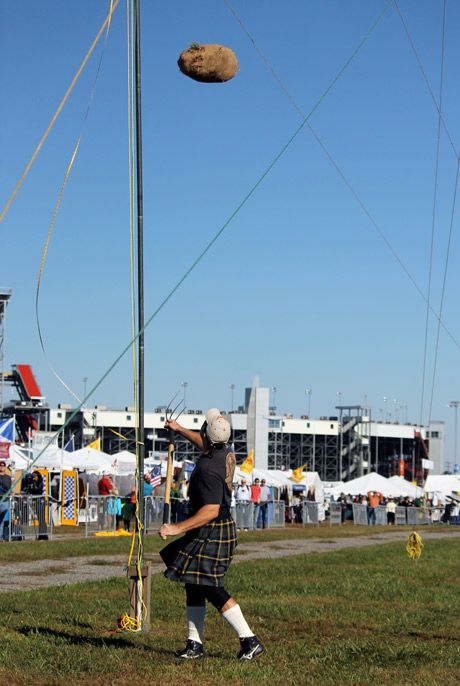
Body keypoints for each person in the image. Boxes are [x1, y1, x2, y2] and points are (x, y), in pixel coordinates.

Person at [159, 408, 265, 663]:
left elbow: (210, 510)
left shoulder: (208, 469)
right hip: (216, 527)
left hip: (212, 526)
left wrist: (176, 528)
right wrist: (180, 429)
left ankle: (250, 640)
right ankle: (194, 644)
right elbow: (203, 442)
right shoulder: (224, 452)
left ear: (207, 434)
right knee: (193, 582)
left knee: (211, 586)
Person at [0, 461, 12, 541]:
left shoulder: (8, 477)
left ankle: (0, 536)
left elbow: (10, 488)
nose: (2, 466)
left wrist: (11, 493)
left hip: (5, 501)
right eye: (0, 465)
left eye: (4, 465)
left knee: (2, 519)